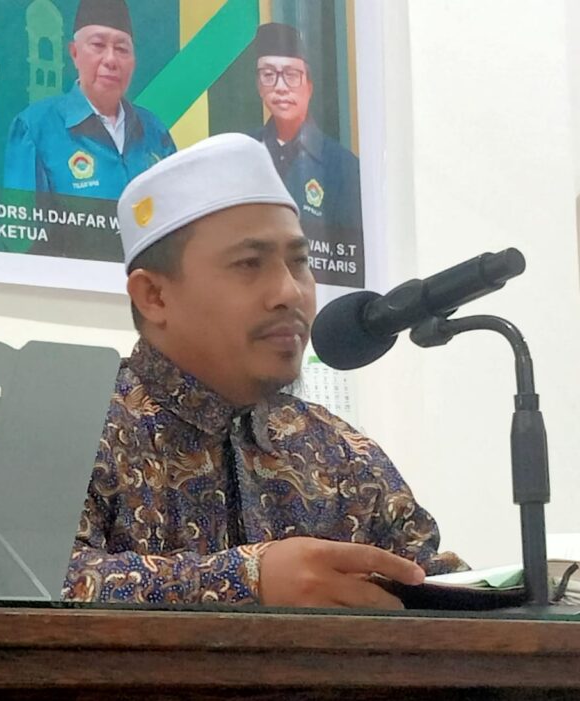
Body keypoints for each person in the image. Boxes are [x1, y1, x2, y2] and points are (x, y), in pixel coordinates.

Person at [63, 133, 466, 608]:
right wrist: (248, 580)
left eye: (299, 262)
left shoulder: (339, 453)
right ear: (154, 296)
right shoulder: (73, 429)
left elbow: (439, 587)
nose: (290, 292)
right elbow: (31, 584)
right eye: (249, 264)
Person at [3, 0, 176, 199]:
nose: (111, 60)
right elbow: (23, 216)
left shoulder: (153, 130)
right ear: (74, 53)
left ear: (133, 61)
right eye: (98, 45)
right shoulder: (36, 128)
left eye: (121, 49)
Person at [250, 23, 362, 272]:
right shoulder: (243, 154)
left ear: (309, 86)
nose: (280, 87)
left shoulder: (343, 167)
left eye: (291, 75)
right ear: (258, 85)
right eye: (268, 74)